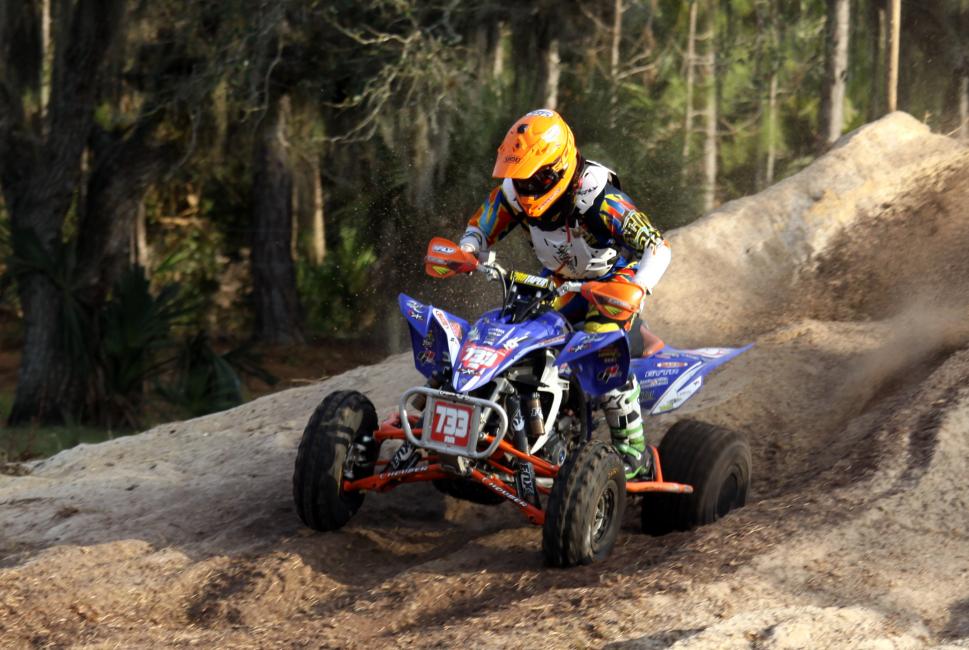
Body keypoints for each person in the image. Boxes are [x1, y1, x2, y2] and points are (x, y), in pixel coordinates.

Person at [457, 109, 672, 480]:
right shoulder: (513, 193)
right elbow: (480, 227)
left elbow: (657, 246)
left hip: (610, 280)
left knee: (599, 346)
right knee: (515, 331)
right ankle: (510, 423)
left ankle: (632, 454)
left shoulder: (596, 195)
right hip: (559, 280)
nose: (525, 187)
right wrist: (468, 248)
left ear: (556, 168)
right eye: (519, 177)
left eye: (533, 177)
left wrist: (637, 287)